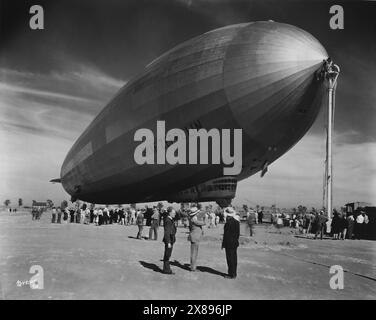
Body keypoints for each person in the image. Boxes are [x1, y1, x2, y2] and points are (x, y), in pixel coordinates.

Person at [222, 207, 240, 279]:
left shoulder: (228, 223)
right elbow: (237, 234)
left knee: (230, 259)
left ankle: (231, 274)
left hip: (229, 244)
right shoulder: (236, 222)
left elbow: (226, 235)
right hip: (235, 243)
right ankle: (234, 273)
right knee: (234, 258)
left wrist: (223, 244)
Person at [188, 207, 205, 272]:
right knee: (194, 253)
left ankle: (193, 266)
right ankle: (193, 268)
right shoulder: (194, 219)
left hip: (195, 237)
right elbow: (203, 223)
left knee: (194, 252)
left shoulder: (193, 218)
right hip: (195, 237)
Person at [162, 207, 177, 274]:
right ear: (170, 213)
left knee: (167, 255)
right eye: (174, 213)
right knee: (167, 255)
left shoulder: (170, 219)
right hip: (169, 240)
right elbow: (167, 232)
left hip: (171, 239)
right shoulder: (168, 220)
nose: (175, 214)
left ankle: (166, 269)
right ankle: (166, 270)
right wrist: (168, 242)